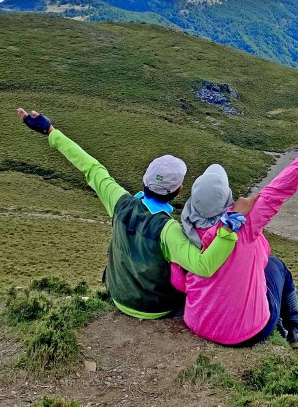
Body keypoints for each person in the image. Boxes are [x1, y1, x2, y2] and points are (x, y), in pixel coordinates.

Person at [16, 108, 244, 319]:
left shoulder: (119, 201)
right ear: (179, 191)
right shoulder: (168, 230)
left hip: (118, 296)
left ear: (145, 180)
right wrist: (227, 230)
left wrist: (50, 131)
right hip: (155, 308)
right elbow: (204, 265)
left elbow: (90, 166)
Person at [173, 132, 298, 348]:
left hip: (198, 324)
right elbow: (275, 192)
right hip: (249, 332)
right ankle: (296, 330)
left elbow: (178, 281)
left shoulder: (182, 230)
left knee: (261, 268)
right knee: (278, 267)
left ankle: (285, 324)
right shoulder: (244, 224)